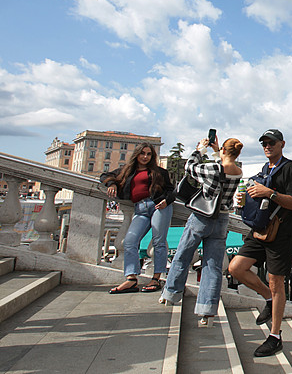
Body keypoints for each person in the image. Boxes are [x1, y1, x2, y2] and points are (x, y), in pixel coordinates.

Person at [227, 129, 292, 357]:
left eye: (271, 143)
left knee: (276, 281)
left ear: (282, 144)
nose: (267, 146)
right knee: (236, 267)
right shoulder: (264, 169)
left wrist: (269, 193)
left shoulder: (289, 168)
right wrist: (245, 198)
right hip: (261, 229)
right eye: (264, 143)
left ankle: (275, 335)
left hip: (281, 233)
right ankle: (268, 298)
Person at [159, 136, 243, 326]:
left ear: (224, 150)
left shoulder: (213, 169)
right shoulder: (238, 172)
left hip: (202, 217)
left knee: (183, 255)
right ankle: (207, 311)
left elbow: (189, 167)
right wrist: (217, 152)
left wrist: (200, 150)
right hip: (222, 220)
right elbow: (223, 167)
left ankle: (170, 293)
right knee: (213, 266)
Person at [101, 142, 174, 294]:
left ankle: (156, 278)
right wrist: (112, 184)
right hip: (140, 209)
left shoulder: (159, 172)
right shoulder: (127, 171)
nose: (145, 157)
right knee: (129, 241)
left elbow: (171, 190)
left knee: (158, 241)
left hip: (159, 206)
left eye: (149, 154)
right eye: (143, 153)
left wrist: (166, 201)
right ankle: (131, 279)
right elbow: (105, 176)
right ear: (137, 154)